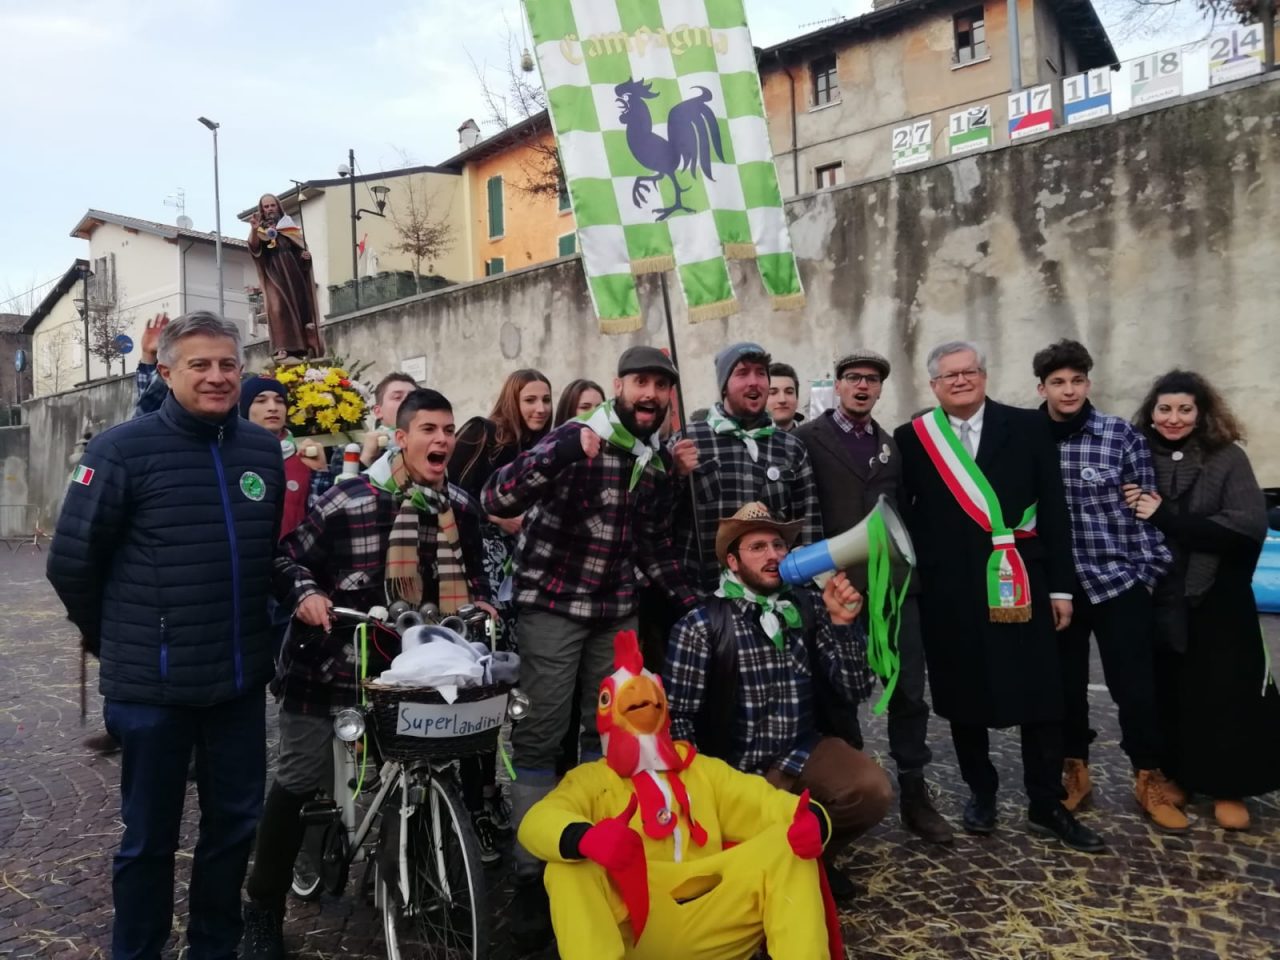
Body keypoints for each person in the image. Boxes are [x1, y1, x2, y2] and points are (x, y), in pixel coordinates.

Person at [47, 311, 284, 960]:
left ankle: (214, 948)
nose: (215, 377)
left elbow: (269, 555)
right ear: (168, 371)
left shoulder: (263, 452)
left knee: (234, 829)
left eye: (227, 364)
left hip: (236, 683)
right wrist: (116, 639)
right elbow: (71, 561)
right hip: (151, 689)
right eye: (199, 365)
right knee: (148, 839)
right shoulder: (120, 450)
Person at [242, 388, 497, 958]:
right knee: (298, 775)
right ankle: (262, 907)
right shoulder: (348, 499)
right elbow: (287, 560)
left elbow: (478, 579)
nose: (440, 440)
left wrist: (483, 603)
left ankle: (411, 876)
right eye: (427, 429)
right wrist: (306, 593)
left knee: (421, 772)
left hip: (415, 670)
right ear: (400, 438)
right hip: (328, 660)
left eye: (448, 430)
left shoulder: (460, 506)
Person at [481, 346, 697, 952]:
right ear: (618, 386)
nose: (650, 394)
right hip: (553, 607)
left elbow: (652, 545)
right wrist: (562, 449)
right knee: (540, 737)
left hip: (616, 613)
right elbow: (498, 497)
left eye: (660, 385)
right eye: (640, 383)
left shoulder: (652, 460)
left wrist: (692, 601)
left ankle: (605, 850)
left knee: (612, 737)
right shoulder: (579, 437)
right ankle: (532, 870)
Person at [892, 340, 1105, 853]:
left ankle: (1044, 802)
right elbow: (907, 514)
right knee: (965, 695)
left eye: (970, 371)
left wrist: (1060, 587)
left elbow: (1053, 507)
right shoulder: (914, 437)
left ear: (984, 376)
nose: (961, 380)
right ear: (934, 386)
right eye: (950, 376)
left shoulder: (1028, 426)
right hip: (952, 591)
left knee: (1041, 694)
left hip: (1022, 579)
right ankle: (980, 793)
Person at [519, 630, 841, 960]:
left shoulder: (704, 770)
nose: (642, 698)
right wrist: (584, 838)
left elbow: (771, 804)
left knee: (788, 847)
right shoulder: (589, 780)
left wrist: (815, 822)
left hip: (715, 913)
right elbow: (536, 822)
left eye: (653, 692)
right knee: (567, 867)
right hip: (633, 928)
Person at [665, 503, 892, 901]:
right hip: (734, 772)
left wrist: (842, 625)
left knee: (870, 790)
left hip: (799, 753)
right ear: (732, 562)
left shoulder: (808, 608)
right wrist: (701, 792)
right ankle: (768, 868)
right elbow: (678, 720)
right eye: (757, 547)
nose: (773, 555)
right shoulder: (701, 625)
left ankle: (811, 863)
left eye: (778, 545)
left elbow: (854, 689)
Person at [795, 349, 953, 844]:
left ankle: (914, 793)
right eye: (853, 378)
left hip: (893, 588)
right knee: (839, 696)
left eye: (871, 380)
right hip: (835, 590)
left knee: (909, 690)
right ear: (837, 385)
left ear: (880, 389)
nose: (863, 386)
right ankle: (852, 791)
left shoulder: (891, 445)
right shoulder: (805, 440)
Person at [1032, 340, 1184, 832]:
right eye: (1058, 382)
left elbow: (1148, 507)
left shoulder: (1120, 435)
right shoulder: (1027, 436)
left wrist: (1145, 573)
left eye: (1077, 380)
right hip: (1059, 588)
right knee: (1063, 689)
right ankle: (1075, 769)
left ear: (1088, 384)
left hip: (1118, 580)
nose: (1069, 389)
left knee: (1135, 688)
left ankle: (1149, 776)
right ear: (1043, 388)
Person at [1128, 370, 1280, 831]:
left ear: (1202, 413)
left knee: (1225, 692)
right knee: (1173, 691)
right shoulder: (1138, 456)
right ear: (1152, 413)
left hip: (1219, 595)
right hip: (1160, 591)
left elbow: (1246, 529)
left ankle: (1229, 785)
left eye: (1184, 409)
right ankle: (1183, 776)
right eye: (1165, 409)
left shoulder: (1227, 458)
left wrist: (1167, 516)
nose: (1174, 418)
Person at [448, 368, 554, 848]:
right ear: (512, 399)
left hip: (528, 581)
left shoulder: (547, 449)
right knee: (483, 691)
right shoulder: (482, 434)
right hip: (485, 576)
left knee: (517, 692)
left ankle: (505, 793)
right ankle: (478, 799)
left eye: (546, 400)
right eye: (530, 399)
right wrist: (498, 518)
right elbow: (453, 493)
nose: (539, 409)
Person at [673, 342, 822, 595]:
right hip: (703, 597)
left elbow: (809, 529)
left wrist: (806, 595)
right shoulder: (688, 441)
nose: (754, 382)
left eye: (761, 373)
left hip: (776, 598)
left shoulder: (792, 448)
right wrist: (675, 474)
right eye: (742, 373)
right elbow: (660, 520)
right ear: (724, 386)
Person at [240, 375, 333, 538]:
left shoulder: (305, 456)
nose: (273, 407)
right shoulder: (232, 457)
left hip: (297, 557)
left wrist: (321, 472)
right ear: (244, 408)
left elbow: (324, 518)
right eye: (261, 401)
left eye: (279, 401)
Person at [249, 193, 324, 362]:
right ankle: (281, 347)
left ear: (278, 207)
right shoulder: (260, 230)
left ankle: (300, 347)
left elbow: (299, 249)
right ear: (262, 210)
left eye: (272, 205)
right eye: (266, 207)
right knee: (277, 308)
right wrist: (254, 230)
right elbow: (254, 249)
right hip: (273, 274)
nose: (269, 209)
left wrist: (305, 257)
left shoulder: (288, 226)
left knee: (298, 308)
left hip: (293, 273)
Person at [767, 361, 803, 432]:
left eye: (789, 392)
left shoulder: (812, 438)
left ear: (797, 399)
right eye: (773, 392)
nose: (782, 400)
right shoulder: (746, 440)